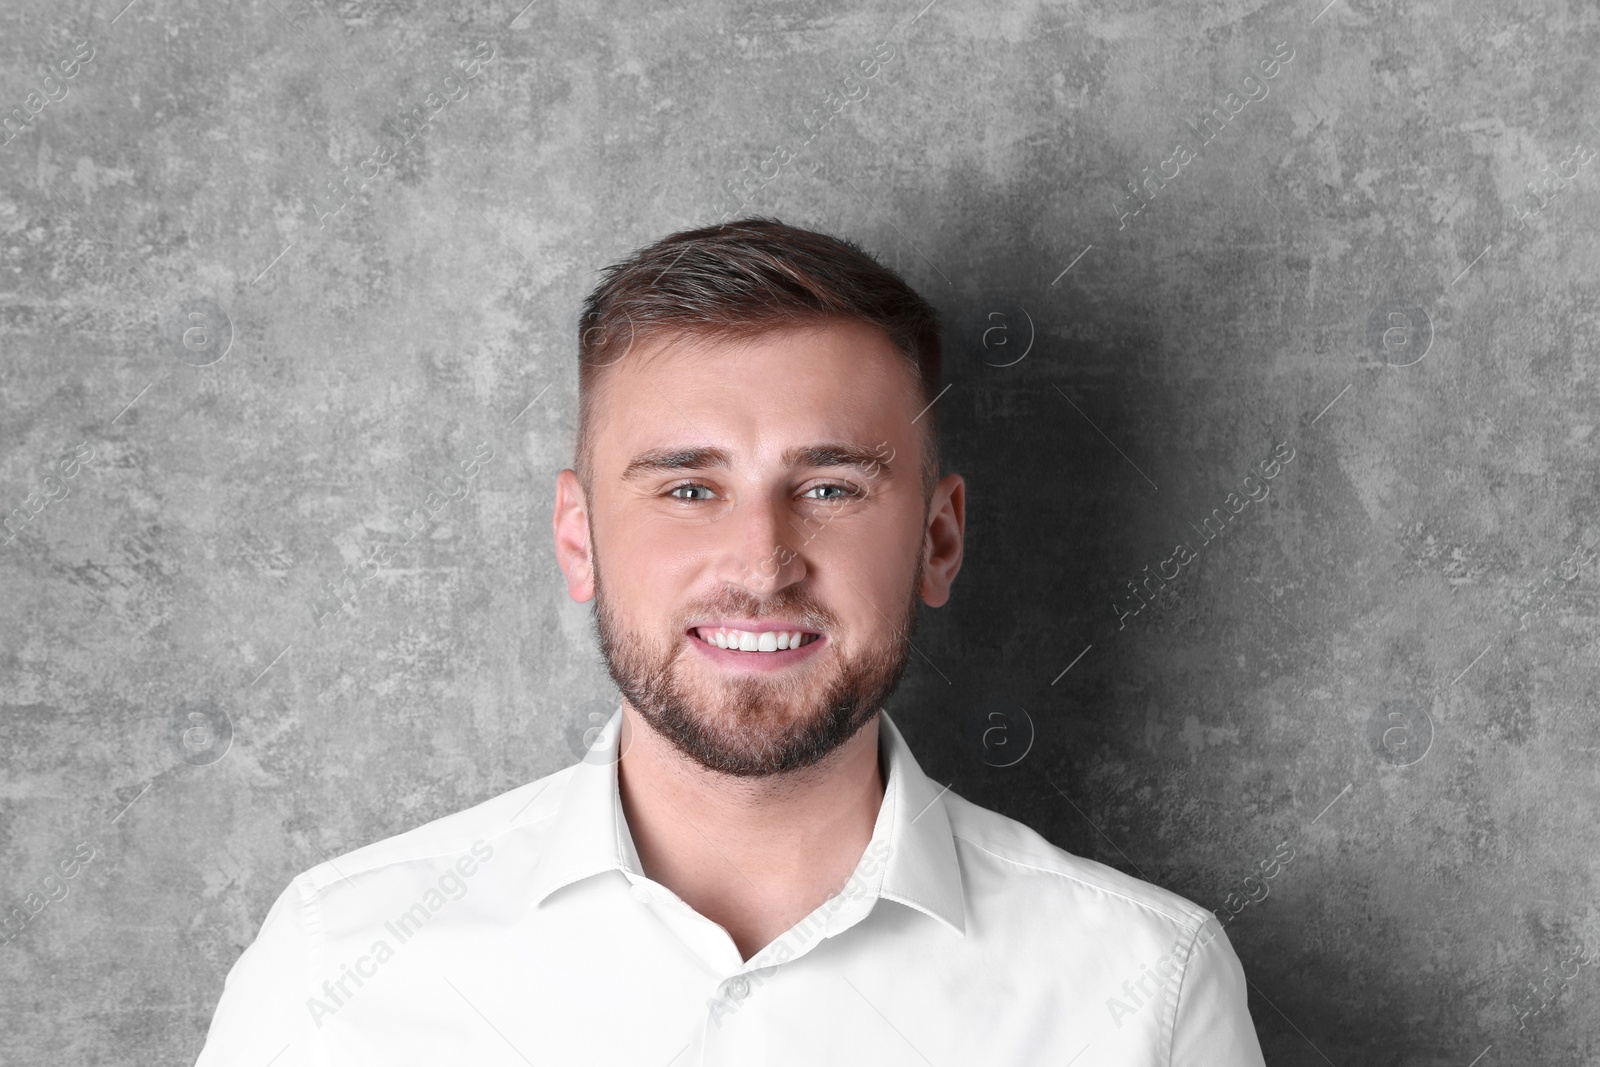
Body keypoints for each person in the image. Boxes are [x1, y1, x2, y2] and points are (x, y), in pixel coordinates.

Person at [193, 218, 1266, 1065]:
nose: (761, 561)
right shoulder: (338, 965)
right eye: (689, 486)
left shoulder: (1143, 990)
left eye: (831, 485)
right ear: (579, 537)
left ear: (938, 540)